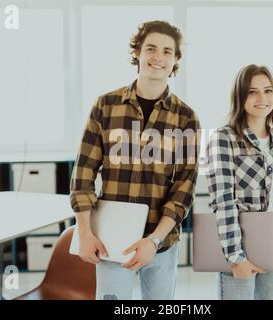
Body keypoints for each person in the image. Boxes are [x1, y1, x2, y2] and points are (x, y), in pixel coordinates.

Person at [69, 20, 200, 300]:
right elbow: (83, 175)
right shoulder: (105, 106)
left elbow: (184, 188)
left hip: (161, 243)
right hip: (110, 240)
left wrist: (154, 240)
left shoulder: (186, 117)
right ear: (137, 53)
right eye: (150, 48)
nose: (158, 57)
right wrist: (84, 233)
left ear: (175, 60)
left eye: (167, 51)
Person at [206, 64, 273, 300]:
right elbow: (223, 202)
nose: (262, 98)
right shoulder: (224, 138)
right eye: (252, 91)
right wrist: (235, 257)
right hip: (239, 244)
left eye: (268, 91)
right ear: (240, 96)